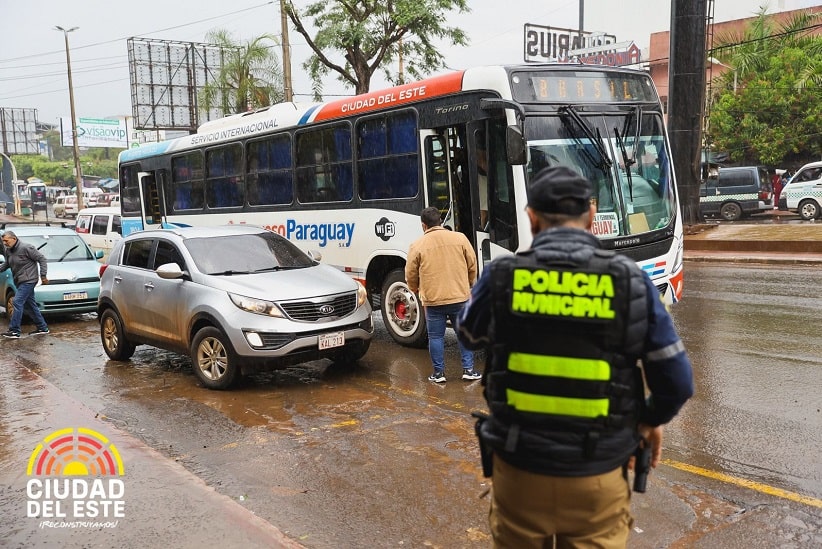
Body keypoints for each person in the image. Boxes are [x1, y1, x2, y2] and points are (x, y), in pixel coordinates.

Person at [457, 166, 694, 548]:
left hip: (520, 472)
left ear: (532, 217)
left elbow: (468, 336)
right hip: (597, 478)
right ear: (591, 215)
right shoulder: (630, 281)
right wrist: (648, 421)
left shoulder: (503, 276)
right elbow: (677, 382)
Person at [406, 207, 480, 383]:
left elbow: (410, 273)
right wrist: (469, 284)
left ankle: (439, 374)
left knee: (436, 337)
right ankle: (468, 370)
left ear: (424, 225)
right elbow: (472, 264)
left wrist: (415, 288)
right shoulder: (460, 238)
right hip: (459, 297)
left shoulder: (417, 245)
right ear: (440, 221)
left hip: (433, 300)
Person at [1, 231, 50, 338]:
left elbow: (42, 259)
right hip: (19, 280)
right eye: (3, 241)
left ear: (14, 239)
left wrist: (43, 275)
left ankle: (14, 330)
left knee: (17, 301)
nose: (4, 243)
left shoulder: (26, 248)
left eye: (6, 240)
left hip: (29, 280)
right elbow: (7, 263)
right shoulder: (9, 250)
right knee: (30, 305)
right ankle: (42, 327)